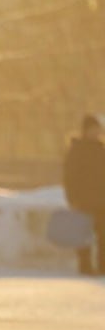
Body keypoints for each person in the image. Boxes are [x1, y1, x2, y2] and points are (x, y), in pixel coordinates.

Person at [62, 113, 105, 275]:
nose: (96, 133)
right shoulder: (77, 150)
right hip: (83, 200)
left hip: (102, 200)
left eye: (98, 129)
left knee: (103, 236)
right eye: (93, 129)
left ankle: (103, 266)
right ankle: (85, 266)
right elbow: (70, 176)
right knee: (83, 235)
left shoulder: (101, 149)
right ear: (85, 131)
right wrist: (72, 198)